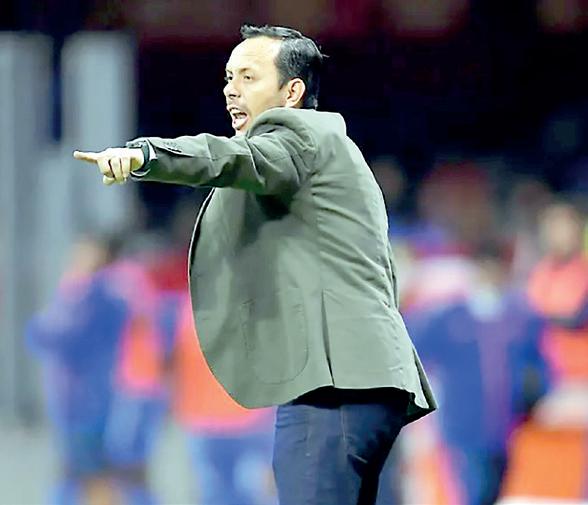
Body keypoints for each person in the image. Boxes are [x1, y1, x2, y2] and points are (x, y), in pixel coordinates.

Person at [73, 24, 436, 504]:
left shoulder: (299, 136)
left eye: (248, 76)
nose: (231, 89)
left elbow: (229, 158)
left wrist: (147, 155)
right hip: (361, 381)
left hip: (334, 385)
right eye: (228, 77)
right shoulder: (330, 156)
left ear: (292, 92)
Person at [406, 243, 548, 505]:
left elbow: (540, 364)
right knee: (474, 492)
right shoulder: (451, 318)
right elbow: (412, 349)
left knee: (493, 491)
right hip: (462, 425)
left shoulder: (520, 319)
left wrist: (536, 396)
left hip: (504, 425)